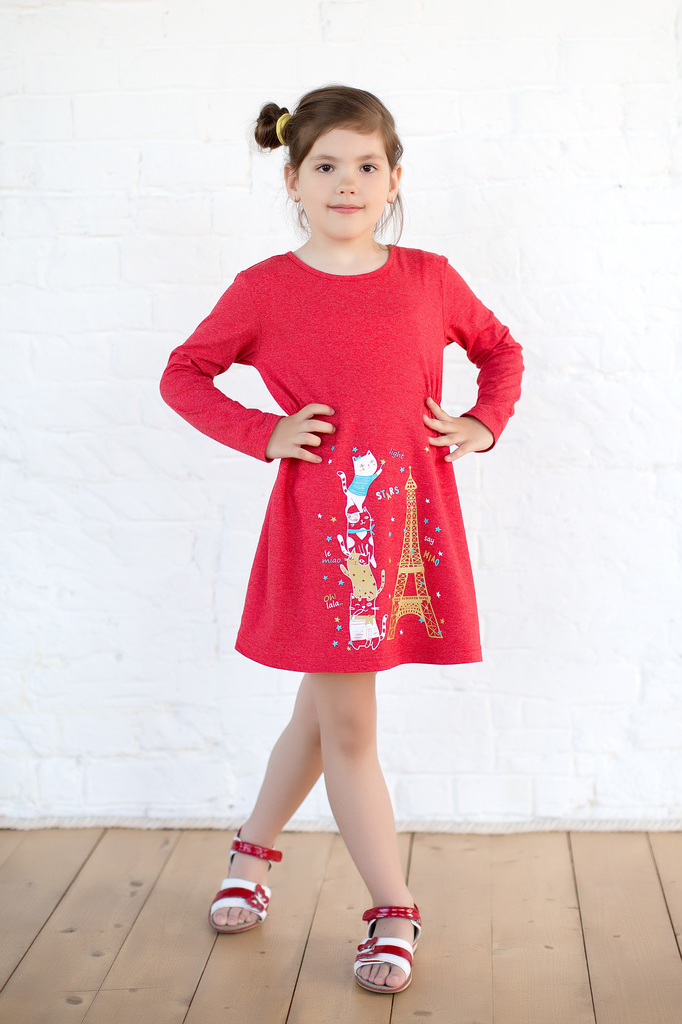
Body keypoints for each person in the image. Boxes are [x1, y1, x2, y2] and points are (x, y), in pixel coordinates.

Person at [159, 84, 523, 995]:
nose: (347, 183)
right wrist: (264, 433)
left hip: (407, 526)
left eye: (366, 165)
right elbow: (185, 373)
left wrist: (483, 422)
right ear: (293, 180)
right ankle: (394, 906)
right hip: (326, 537)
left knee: (322, 714)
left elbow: (500, 349)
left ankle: (249, 855)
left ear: (394, 178)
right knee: (350, 722)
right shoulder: (265, 290)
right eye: (326, 166)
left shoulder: (429, 278)